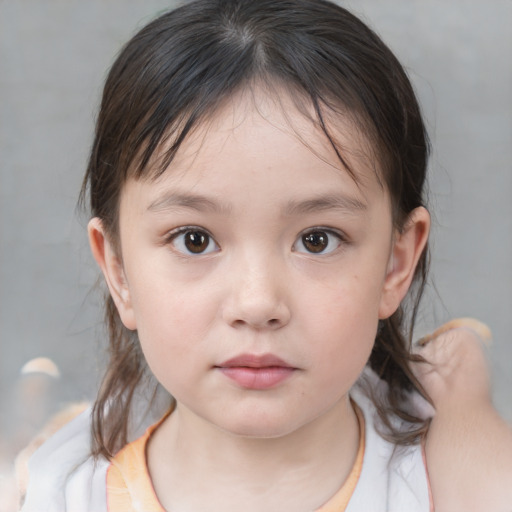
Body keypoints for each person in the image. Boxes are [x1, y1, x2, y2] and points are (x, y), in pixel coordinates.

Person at [19, 1, 512, 511]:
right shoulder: (58, 496)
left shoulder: (459, 483)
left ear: (396, 262)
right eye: (194, 239)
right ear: (118, 269)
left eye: (318, 239)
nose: (257, 304)